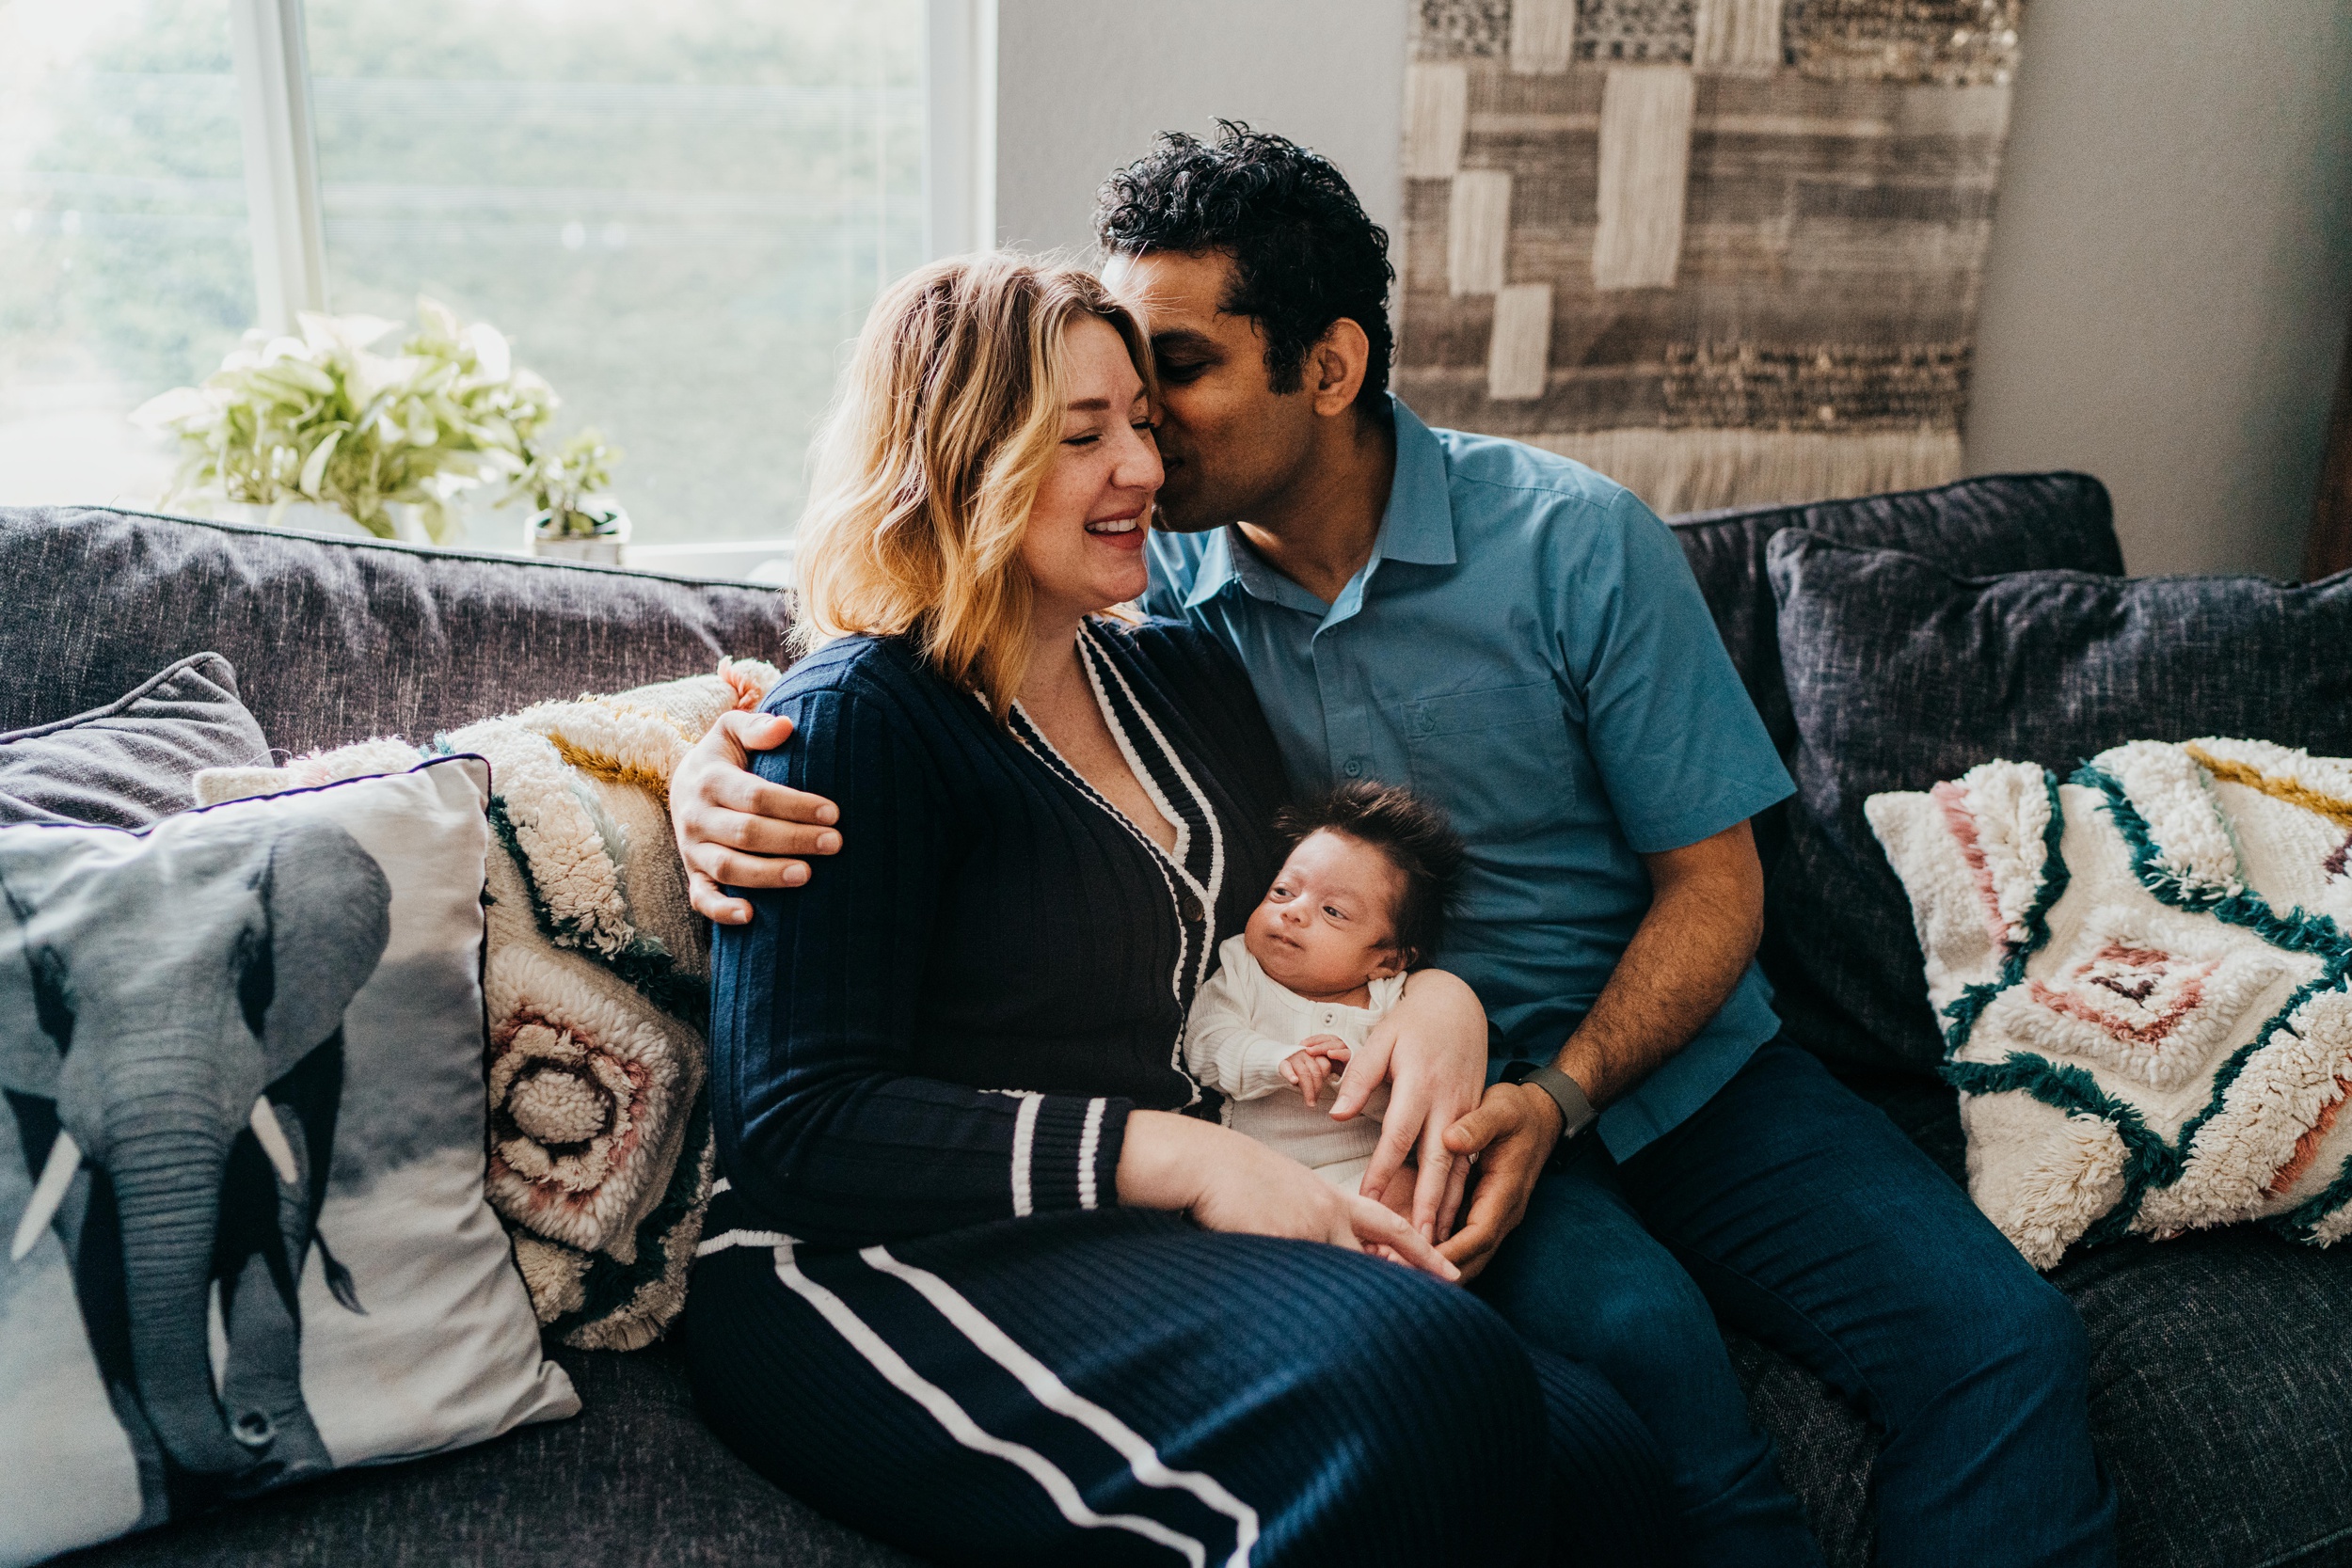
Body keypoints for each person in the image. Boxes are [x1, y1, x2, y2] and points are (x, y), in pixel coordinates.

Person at [673, 125, 2117, 1566]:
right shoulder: (1154, 592)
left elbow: (1714, 883)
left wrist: (1512, 1054)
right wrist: (715, 755)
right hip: (1373, 1114)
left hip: (1661, 1068)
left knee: (1993, 1344)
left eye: (1171, 383)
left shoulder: (1555, 549)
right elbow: (916, 649)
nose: (1148, 451)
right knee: (1631, 1372)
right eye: (1103, 417)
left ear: (1330, 366)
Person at [684, 252, 1673, 1567]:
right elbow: (797, 1124)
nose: (1144, 469)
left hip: (1123, 1232)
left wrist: (1439, 991)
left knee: (1601, 1459)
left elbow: (1308, 911)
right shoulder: (858, 721)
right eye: (1083, 434)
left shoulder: (1180, 678)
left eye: (1143, 423)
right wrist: (1193, 1157)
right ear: (957, 461)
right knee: (1427, 1369)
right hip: (870, 1258)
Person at [1184, 782, 1466, 1192]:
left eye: (1332, 911)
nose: (1293, 911)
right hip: (1257, 1171)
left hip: (1362, 1170)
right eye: (1283, 891)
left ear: (1386, 961)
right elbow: (1205, 1043)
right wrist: (1276, 1059)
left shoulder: (1395, 1003)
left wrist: (1361, 1077)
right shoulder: (1243, 966)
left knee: (1407, 1190)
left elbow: (1419, 1097)